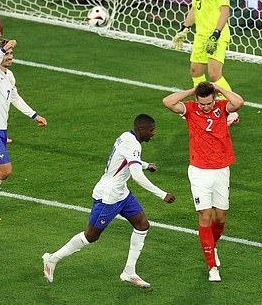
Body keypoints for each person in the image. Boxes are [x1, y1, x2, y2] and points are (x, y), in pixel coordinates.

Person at [42, 114, 176, 287]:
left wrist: (145, 164)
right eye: (151, 131)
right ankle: (52, 259)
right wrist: (162, 194)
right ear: (141, 130)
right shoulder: (133, 143)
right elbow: (136, 176)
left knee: (142, 225)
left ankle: (129, 272)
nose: (153, 134)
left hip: (121, 193)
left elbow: (124, 159)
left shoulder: (126, 136)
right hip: (109, 196)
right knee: (91, 236)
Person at [162, 82, 244, 282]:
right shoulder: (189, 109)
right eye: (202, 103)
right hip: (199, 171)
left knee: (221, 217)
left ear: (214, 99)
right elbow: (168, 101)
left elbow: (238, 102)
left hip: (221, 170)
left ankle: (211, 246)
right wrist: (193, 91)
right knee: (205, 215)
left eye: (208, 103)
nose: (205, 107)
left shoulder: (222, 108)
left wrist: (218, 88)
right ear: (197, 100)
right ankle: (212, 266)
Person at [0, 39, 47, 222]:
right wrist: (2, 49)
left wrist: (34, 115)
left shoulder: (10, 76)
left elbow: (15, 98)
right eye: (6, 54)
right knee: (5, 170)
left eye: (11, 54)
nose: (9, 57)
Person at [172, 0, 239, 126]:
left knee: (214, 73)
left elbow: (225, 11)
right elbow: (195, 9)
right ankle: (202, 105)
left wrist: (216, 34)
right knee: (195, 70)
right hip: (201, 35)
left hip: (216, 34)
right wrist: (184, 28)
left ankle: (231, 111)